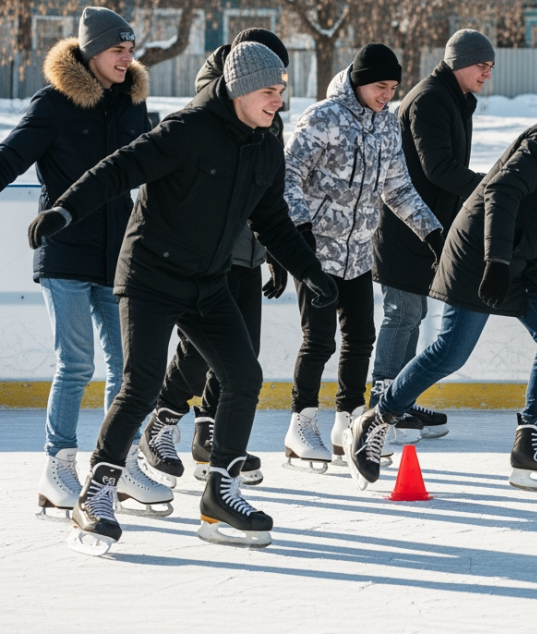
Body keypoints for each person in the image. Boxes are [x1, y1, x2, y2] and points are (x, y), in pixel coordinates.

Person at [31, 42, 337, 554]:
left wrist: (309, 270)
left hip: (207, 282)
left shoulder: (265, 143)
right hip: (150, 276)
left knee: (243, 376)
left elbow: (272, 219)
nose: (278, 101)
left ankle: (221, 491)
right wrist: (65, 211)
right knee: (142, 382)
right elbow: (116, 170)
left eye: (281, 92)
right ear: (240, 89)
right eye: (269, 91)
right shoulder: (186, 130)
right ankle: (96, 492)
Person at [347, 75, 537, 494]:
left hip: (522, 256)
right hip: (481, 253)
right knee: (451, 352)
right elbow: (501, 192)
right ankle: (376, 419)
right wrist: (496, 262)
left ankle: (530, 445)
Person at [0, 7, 167, 520]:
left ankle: (114, 466)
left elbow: (152, 171)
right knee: (76, 365)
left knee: (129, 369)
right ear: (93, 52)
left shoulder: (133, 105)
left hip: (118, 256)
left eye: (130, 49)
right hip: (65, 253)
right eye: (118, 49)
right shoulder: (54, 103)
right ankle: (58, 465)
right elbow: (10, 159)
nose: (127, 57)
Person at [139, 28, 290, 488]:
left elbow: (271, 192)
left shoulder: (267, 106)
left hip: (247, 250)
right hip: (207, 252)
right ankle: (162, 421)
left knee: (244, 352)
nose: (277, 94)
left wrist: (276, 252)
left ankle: (210, 434)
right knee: (200, 351)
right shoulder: (213, 104)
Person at [280, 43, 441, 470]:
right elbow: (287, 175)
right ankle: (302, 422)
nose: (386, 94)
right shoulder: (323, 118)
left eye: (392, 87)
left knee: (360, 339)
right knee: (319, 340)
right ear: (358, 80)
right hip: (315, 252)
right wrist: (299, 230)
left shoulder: (388, 127)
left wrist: (434, 233)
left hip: (357, 253)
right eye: (379, 86)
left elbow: (399, 189)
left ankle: (348, 421)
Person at [369, 29, 495, 440]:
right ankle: (382, 403)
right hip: (406, 225)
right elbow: (437, 168)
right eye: (482, 66)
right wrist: (490, 188)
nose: (486, 74)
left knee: (415, 314)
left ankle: (400, 399)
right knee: (401, 313)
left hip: (431, 227)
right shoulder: (430, 99)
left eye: (490, 67)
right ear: (459, 62)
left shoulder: (457, 101)